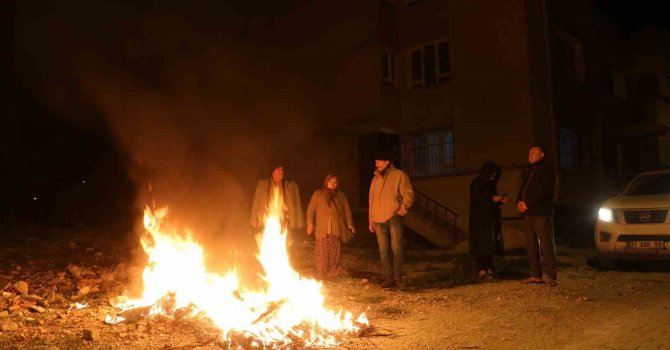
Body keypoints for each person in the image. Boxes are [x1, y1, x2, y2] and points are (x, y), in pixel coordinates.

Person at [368, 150, 414, 288]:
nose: (377, 164)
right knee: (383, 250)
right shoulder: (375, 179)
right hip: (378, 219)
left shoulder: (399, 175)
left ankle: (398, 277)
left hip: (394, 217)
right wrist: (371, 219)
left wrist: (402, 210)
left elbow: (408, 194)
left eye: (379, 161)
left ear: (387, 162)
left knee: (396, 248)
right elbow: (371, 200)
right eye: (376, 161)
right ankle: (388, 278)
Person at [515, 145, 558, 287]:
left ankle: (551, 276)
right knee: (531, 244)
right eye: (529, 152)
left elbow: (543, 191)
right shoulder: (529, 170)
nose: (530, 154)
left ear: (542, 155)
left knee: (546, 243)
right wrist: (519, 202)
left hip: (541, 212)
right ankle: (536, 275)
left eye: (534, 152)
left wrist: (529, 203)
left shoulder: (547, 170)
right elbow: (523, 188)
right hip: (528, 213)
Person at [306, 175, 355, 280]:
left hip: (336, 229)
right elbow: (311, 210)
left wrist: (350, 224)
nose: (333, 184)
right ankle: (321, 274)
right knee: (322, 253)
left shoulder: (340, 195)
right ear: (326, 182)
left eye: (335, 182)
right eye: (331, 181)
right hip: (322, 230)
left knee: (335, 253)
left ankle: (332, 274)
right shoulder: (318, 194)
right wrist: (310, 224)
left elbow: (347, 210)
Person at [469, 161, 507, 280]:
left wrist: (500, 200)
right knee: (481, 242)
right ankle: (482, 268)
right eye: (492, 174)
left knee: (490, 242)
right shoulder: (476, 183)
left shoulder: (491, 184)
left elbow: (492, 199)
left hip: (491, 217)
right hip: (479, 218)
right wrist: (492, 199)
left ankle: (489, 267)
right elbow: (476, 199)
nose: (493, 177)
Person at [250, 166, 304, 244]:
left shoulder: (290, 186)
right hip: (266, 224)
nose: (281, 171)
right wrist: (253, 223)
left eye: (282, 169)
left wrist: (299, 224)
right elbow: (256, 203)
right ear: (273, 171)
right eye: (278, 169)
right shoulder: (263, 185)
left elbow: (297, 205)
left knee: (284, 250)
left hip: (285, 225)